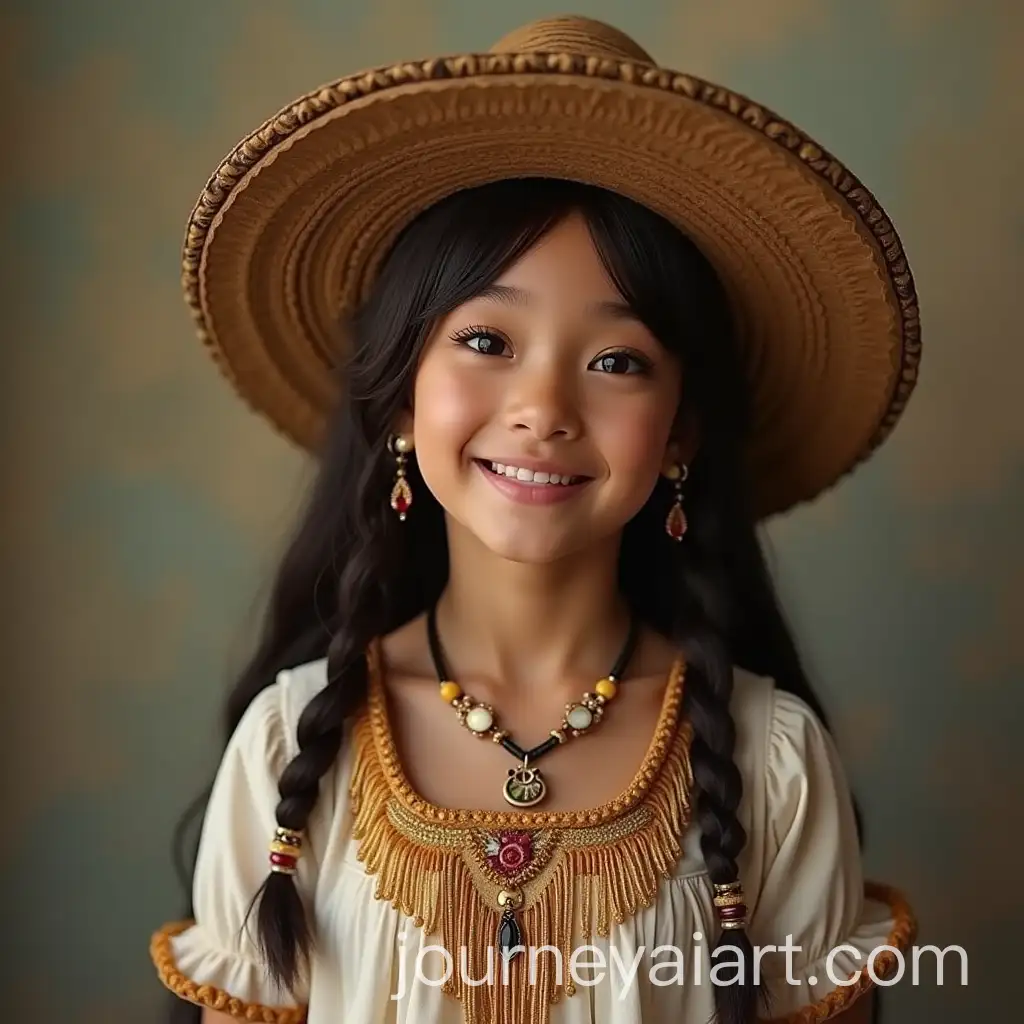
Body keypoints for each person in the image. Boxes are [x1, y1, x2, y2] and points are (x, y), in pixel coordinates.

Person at [149, 15, 920, 1024]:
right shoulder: (292, 746)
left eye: (616, 361)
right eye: (484, 338)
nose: (544, 407)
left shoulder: (772, 761)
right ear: (398, 400)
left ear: (679, 432)